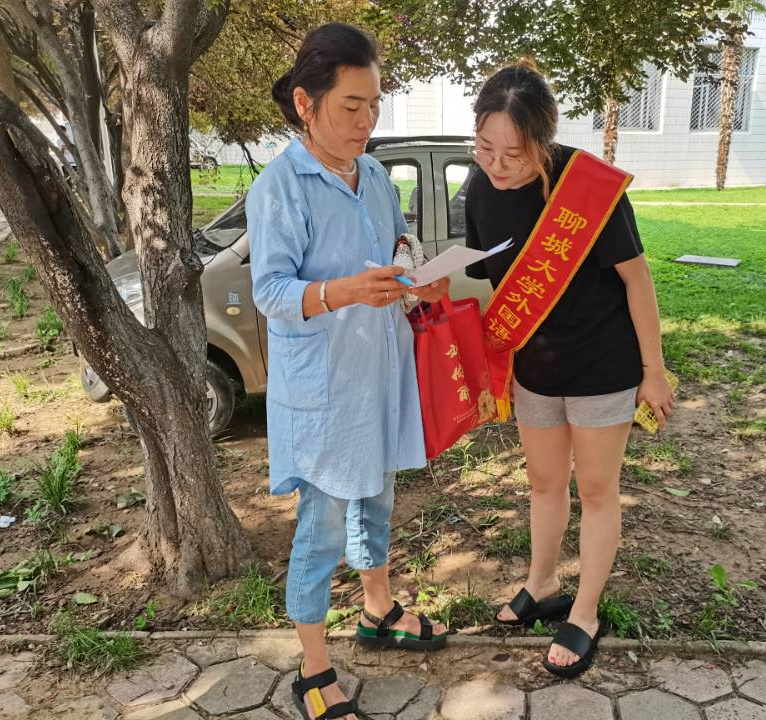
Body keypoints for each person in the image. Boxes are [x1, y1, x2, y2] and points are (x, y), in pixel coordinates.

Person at [246, 23, 449, 720]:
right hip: (325, 389)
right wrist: (343, 292)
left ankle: (377, 610)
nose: (366, 122)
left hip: (378, 370)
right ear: (306, 104)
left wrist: (410, 267)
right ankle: (312, 667)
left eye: (374, 106)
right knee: (323, 524)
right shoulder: (282, 186)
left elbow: (394, 244)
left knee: (377, 497)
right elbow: (271, 292)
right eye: (351, 107)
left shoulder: (376, 176)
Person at [464, 62, 675, 678]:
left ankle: (584, 612)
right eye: (485, 148)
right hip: (535, 368)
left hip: (604, 366)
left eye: (514, 154)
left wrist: (654, 370)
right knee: (543, 483)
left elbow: (637, 280)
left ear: (545, 142)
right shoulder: (480, 186)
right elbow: (487, 276)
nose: (498, 165)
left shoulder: (588, 189)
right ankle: (543, 582)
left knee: (597, 490)